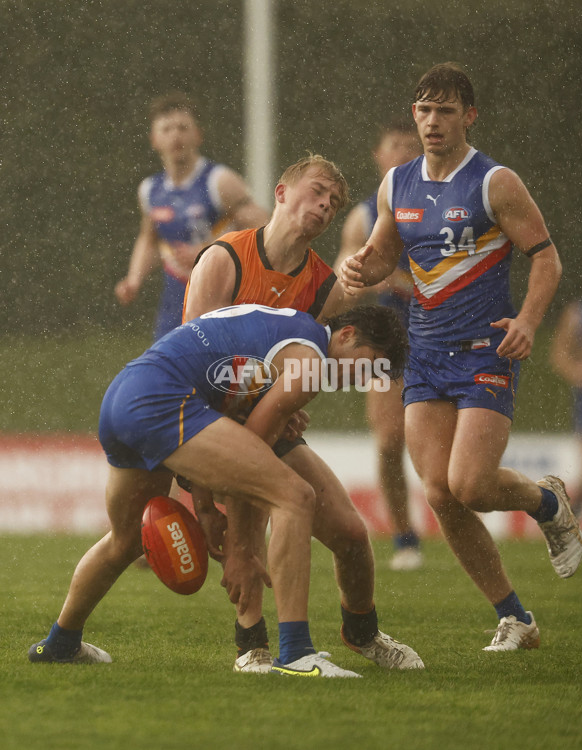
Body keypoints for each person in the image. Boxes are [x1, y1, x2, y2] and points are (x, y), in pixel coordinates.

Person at [28, 303, 421, 678]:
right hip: (162, 401)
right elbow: (253, 449)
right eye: (365, 365)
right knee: (295, 497)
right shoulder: (311, 361)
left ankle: (60, 643)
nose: (358, 379)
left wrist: (206, 510)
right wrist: (241, 550)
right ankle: (297, 654)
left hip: (124, 396)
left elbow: (229, 437)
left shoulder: (288, 332)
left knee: (127, 538)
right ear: (346, 334)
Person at [338, 62, 582, 652]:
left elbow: (546, 258)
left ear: (468, 116)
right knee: (441, 493)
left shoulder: (495, 181)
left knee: (470, 484)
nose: (431, 121)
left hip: (485, 348)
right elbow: (380, 254)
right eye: (423, 109)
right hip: (424, 352)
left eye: (445, 110)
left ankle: (547, 502)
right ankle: (517, 619)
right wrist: (358, 268)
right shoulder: (397, 184)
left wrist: (527, 321)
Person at [182, 154, 424, 674]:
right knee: (224, 529)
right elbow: (192, 365)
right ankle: (252, 645)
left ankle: (362, 633)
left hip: (262, 421)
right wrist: (205, 494)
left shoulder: (324, 288)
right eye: (317, 192)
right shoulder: (224, 259)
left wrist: (288, 406)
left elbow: (314, 364)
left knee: (352, 536)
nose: (324, 205)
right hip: (203, 419)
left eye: (333, 202)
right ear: (281, 192)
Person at [334, 119, 424, 571]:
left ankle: (451, 518)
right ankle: (405, 536)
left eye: (413, 146)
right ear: (379, 155)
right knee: (390, 441)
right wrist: (370, 278)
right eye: (396, 145)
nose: (406, 153)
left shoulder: (442, 204)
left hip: (441, 336)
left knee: (435, 449)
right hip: (389, 342)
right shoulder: (365, 217)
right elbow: (342, 284)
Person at [114, 92, 269, 340]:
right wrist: (134, 279)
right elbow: (149, 239)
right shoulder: (150, 190)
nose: (175, 135)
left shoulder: (219, 181)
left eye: (183, 128)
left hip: (224, 297)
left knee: (219, 373)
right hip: (175, 301)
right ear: (154, 139)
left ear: (198, 135)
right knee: (165, 373)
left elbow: (267, 230)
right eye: (166, 129)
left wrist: (208, 251)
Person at [551, 259, 582, 534]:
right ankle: (567, 518)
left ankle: (569, 520)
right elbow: (560, 355)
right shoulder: (578, 313)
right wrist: (579, 371)